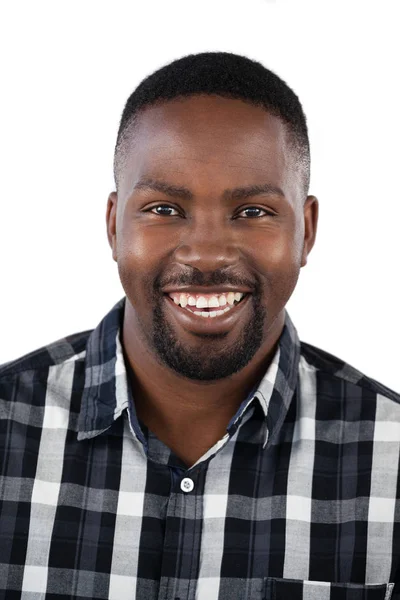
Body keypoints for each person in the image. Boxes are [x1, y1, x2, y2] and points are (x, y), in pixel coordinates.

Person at [0, 51, 398, 600]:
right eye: (164, 209)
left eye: (252, 211)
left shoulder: (393, 458)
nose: (207, 255)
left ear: (305, 231)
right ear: (114, 225)